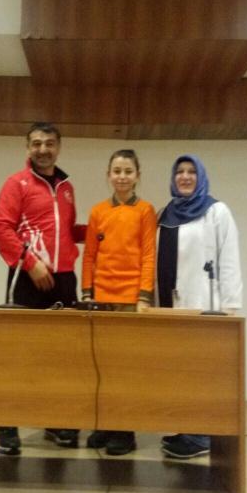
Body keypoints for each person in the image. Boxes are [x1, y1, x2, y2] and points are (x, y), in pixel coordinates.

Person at [0, 122, 86, 455]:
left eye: (49, 143)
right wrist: (30, 262)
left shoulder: (67, 187)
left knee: (61, 355)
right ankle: (7, 426)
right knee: (19, 354)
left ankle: (54, 421)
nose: (43, 149)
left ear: (59, 147)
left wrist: (103, 230)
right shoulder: (15, 183)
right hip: (27, 277)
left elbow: (65, 231)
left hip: (63, 280)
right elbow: (2, 228)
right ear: (27, 147)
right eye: (36, 143)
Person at [156, 154, 242, 459]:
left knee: (201, 370)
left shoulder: (216, 211)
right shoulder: (164, 213)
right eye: (179, 171)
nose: (185, 176)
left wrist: (231, 306)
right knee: (179, 369)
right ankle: (185, 428)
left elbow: (229, 260)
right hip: (169, 304)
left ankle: (202, 435)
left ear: (201, 177)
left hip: (203, 304)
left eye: (191, 171)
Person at [81, 149, 157, 455]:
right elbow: (89, 255)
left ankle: (124, 431)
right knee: (101, 365)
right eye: (117, 171)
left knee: (126, 367)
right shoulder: (98, 211)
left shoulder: (145, 211)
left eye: (128, 171)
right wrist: (87, 292)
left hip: (130, 300)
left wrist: (144, 296)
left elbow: (149, 254)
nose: (122, 177)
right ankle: (104, 424)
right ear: (108, 175)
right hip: (101, 298)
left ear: (137, 176)